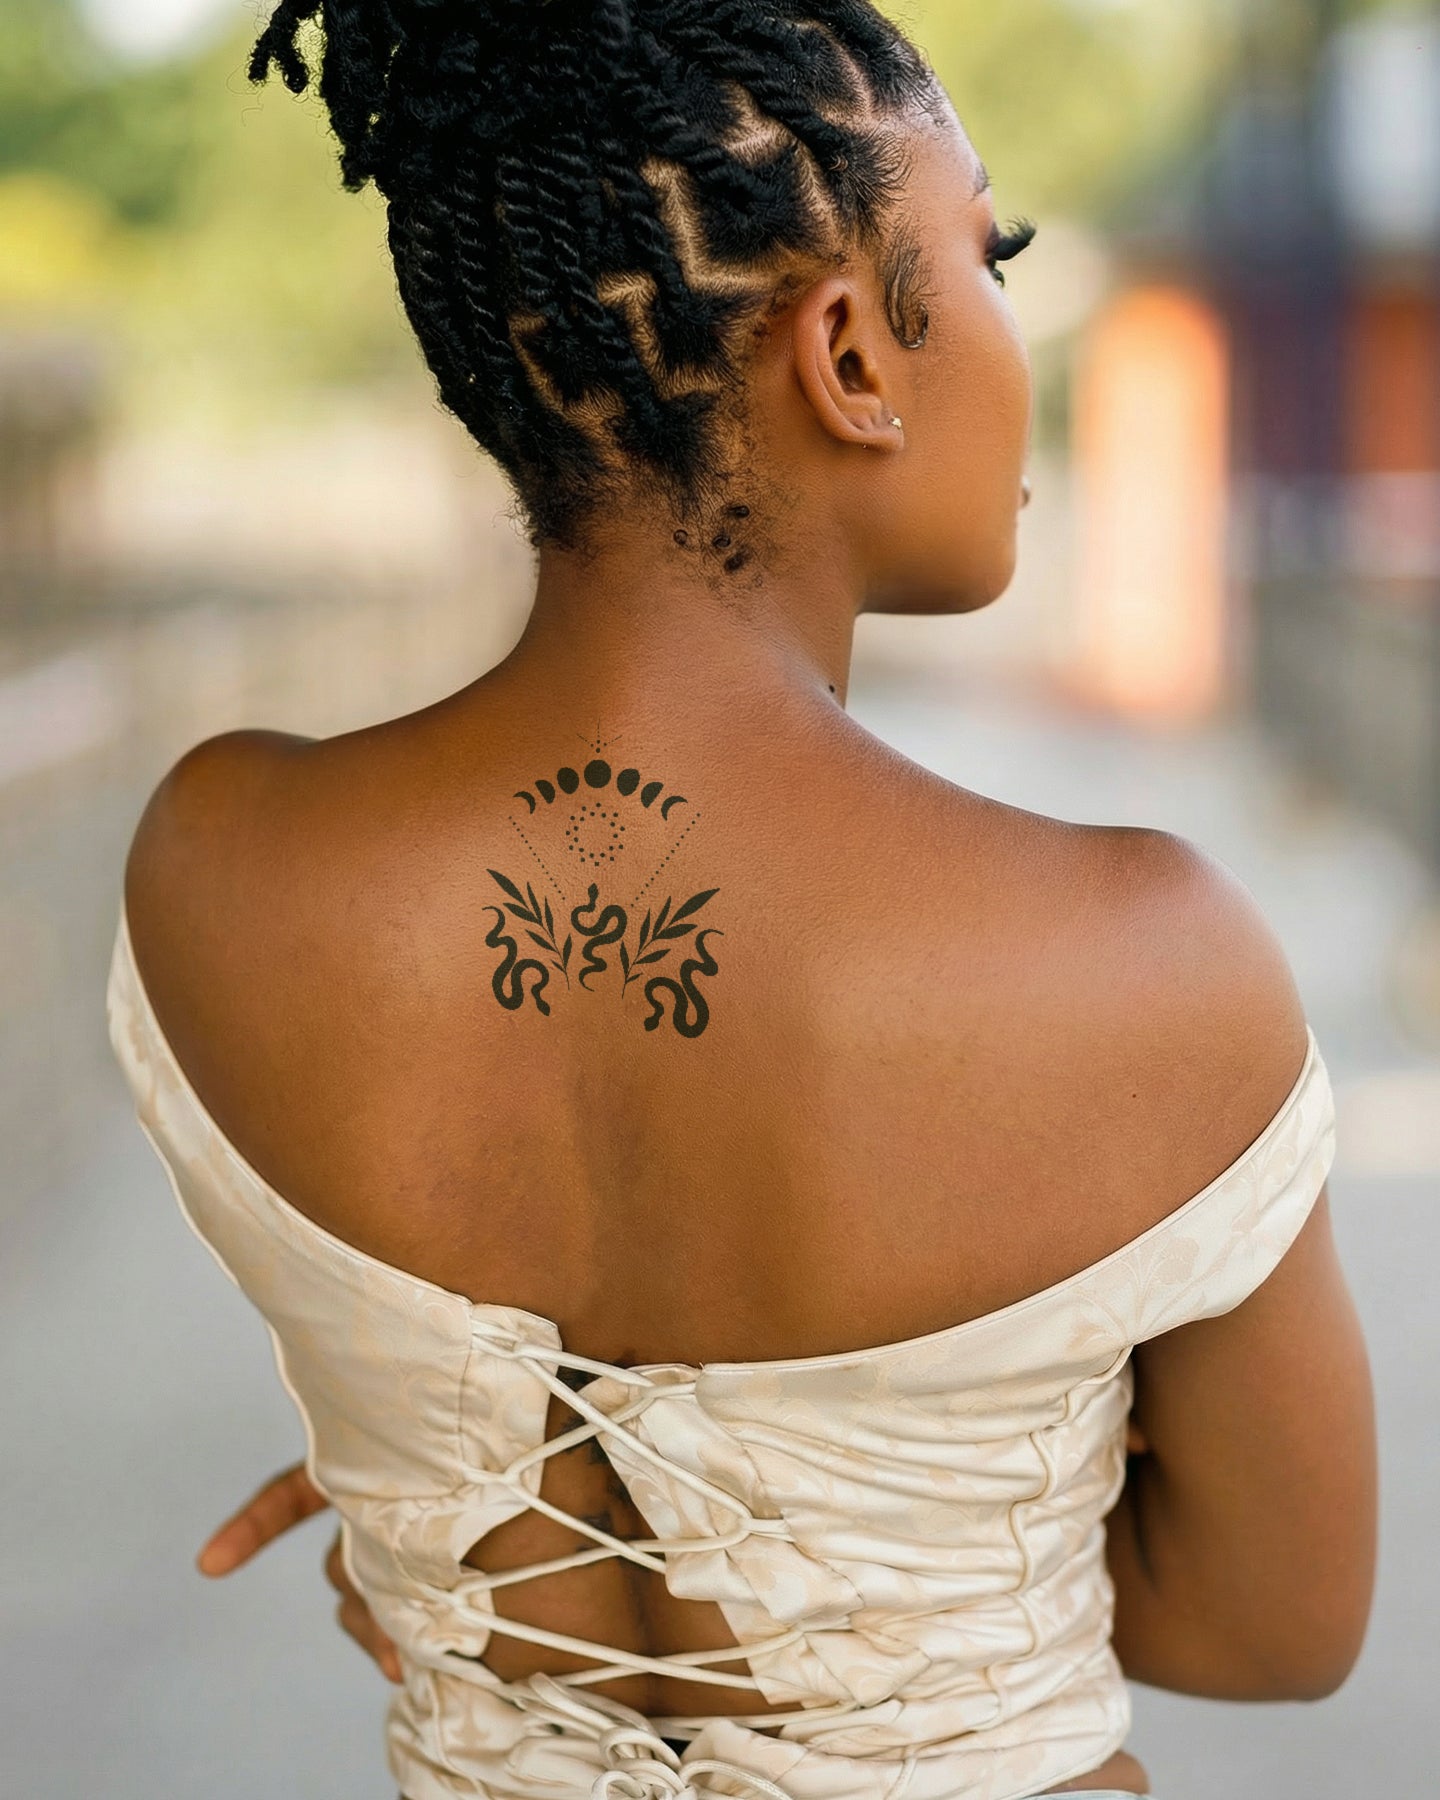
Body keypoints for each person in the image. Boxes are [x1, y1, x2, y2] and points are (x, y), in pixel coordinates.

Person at [105, 1, 1378, 1796]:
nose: (1015, 322)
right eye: (992, 255)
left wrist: (430, 1522)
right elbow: (1275, 1630)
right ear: (849, 353)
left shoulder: (219, 859)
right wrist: (939, 1532)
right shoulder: (1146, 960)